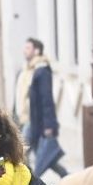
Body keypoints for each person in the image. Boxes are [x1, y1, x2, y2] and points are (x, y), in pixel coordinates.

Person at [16, 37, 67, 177]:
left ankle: (29, 182)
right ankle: (67, 177)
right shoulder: (27, 70)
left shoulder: (41, 71)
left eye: (28, 48)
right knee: (46, 157)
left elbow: (47, 99)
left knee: (21, 151)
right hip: (28, 118)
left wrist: (49, 125)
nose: (24, 51)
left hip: (35, 120)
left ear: (37, 51)